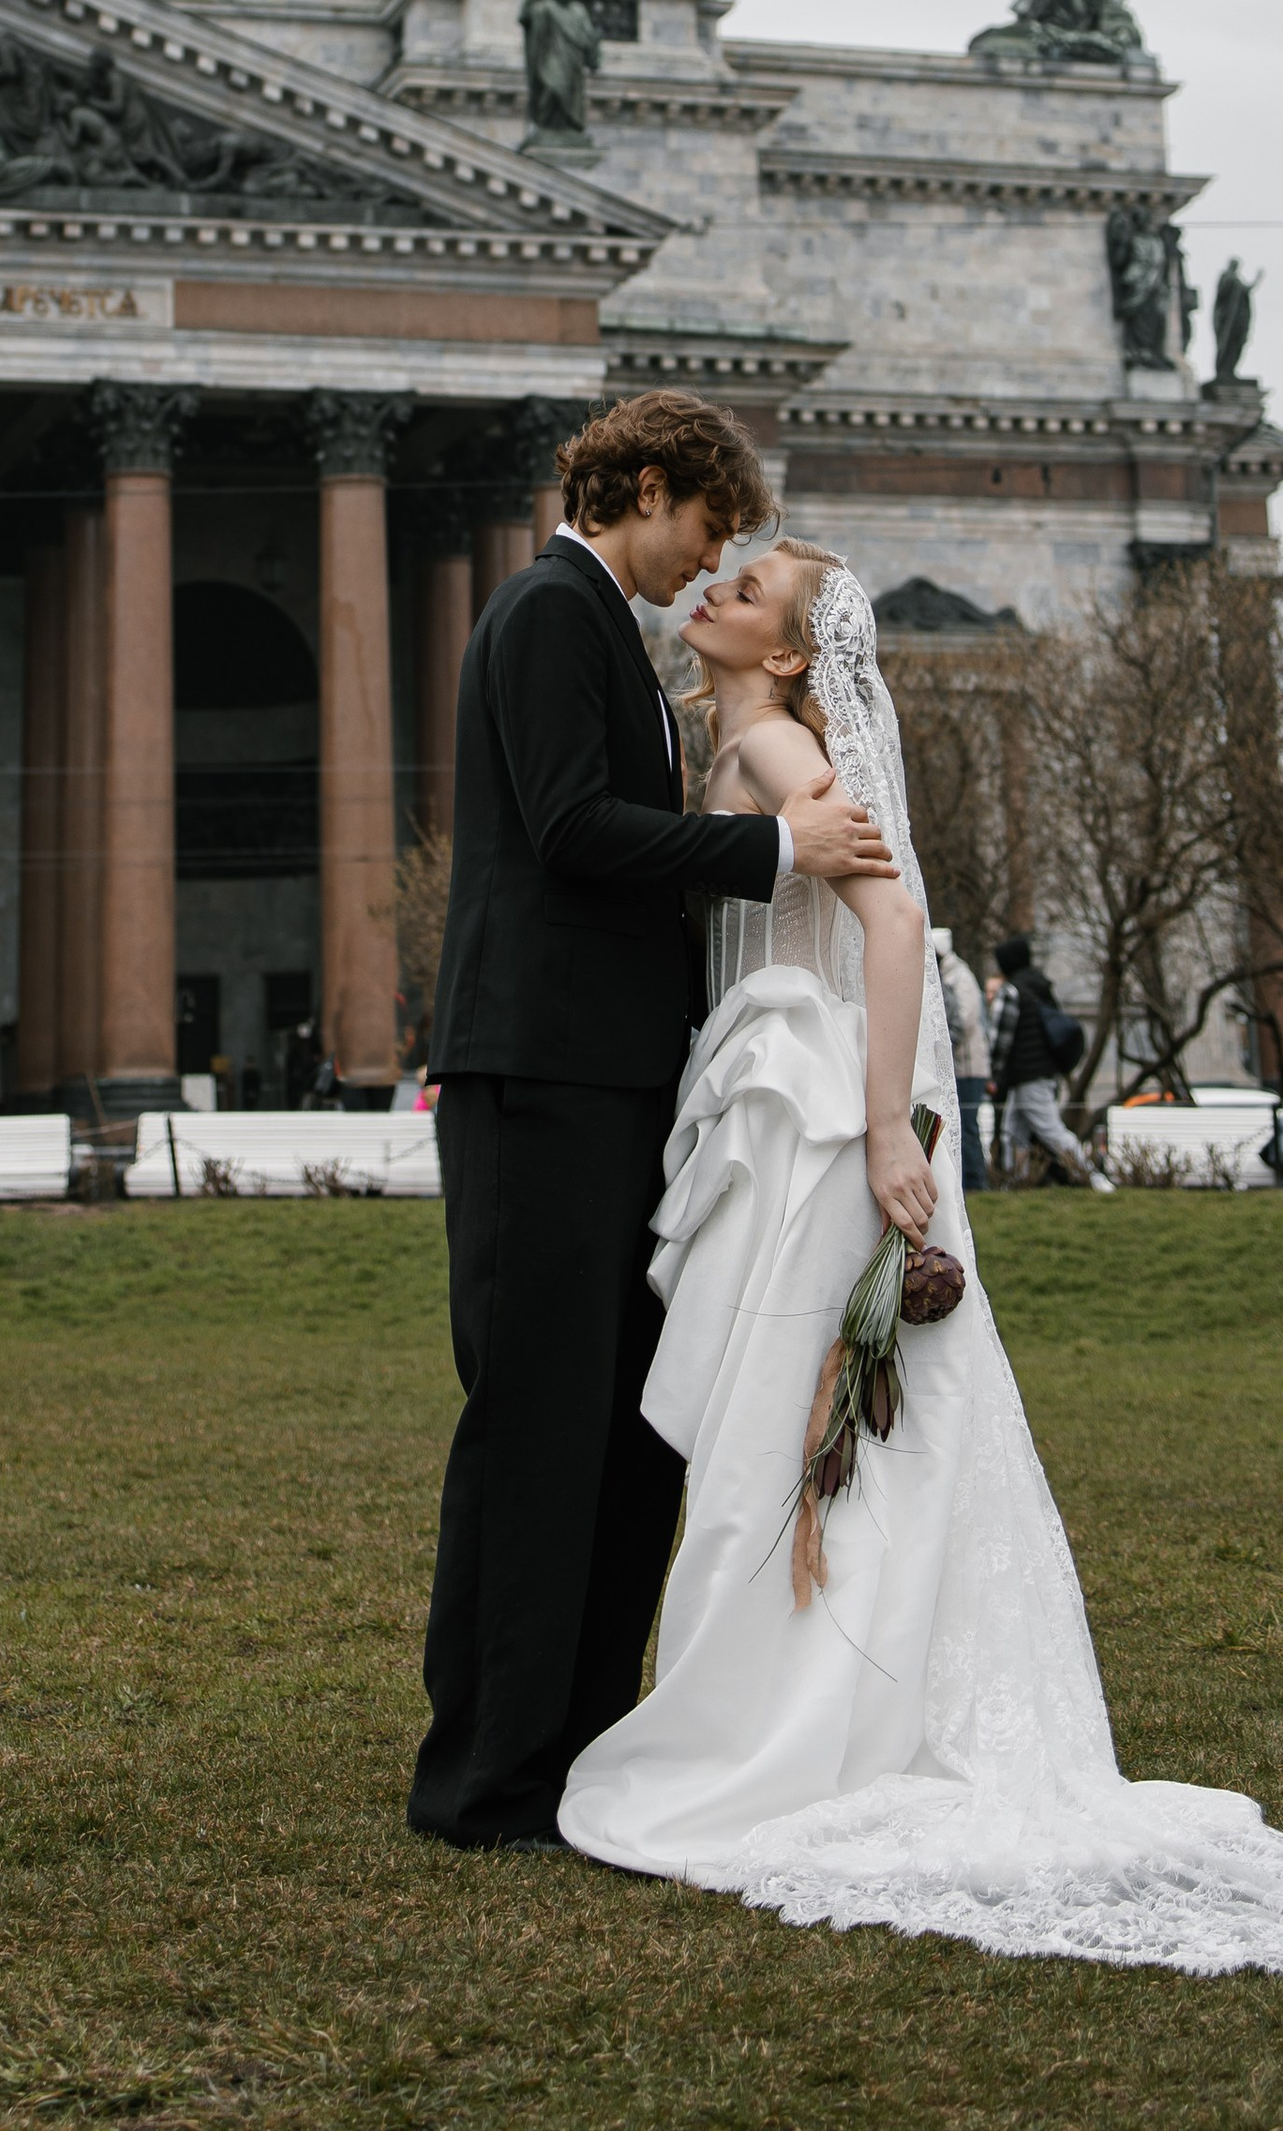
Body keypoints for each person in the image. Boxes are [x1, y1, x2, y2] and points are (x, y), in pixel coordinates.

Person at [556, 546, 1283, 1972]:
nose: (715, 582)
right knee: (835, 1430)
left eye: (751, 584)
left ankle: (779, 1734)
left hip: (821, 1122)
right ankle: (847, 1705)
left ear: (786, 656)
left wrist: (893, 1126)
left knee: (785, 1430)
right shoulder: (746, 733)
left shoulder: (775, 741)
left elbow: (893, 918)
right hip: (796, 1105)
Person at [408, 390, 898, 1855]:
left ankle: (565, 1749)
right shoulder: (552, 612)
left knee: (609, 1433)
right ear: (639, 484)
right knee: (537, 1426)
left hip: (600, 1078)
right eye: (703, 526)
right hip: (541, 1075)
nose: (704, 565)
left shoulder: (592, 625)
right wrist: (770, 846)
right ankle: (487, 1777)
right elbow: (566, 832)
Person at [990, 932, 1112, 1191]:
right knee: (1014, 1131)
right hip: (1041, 1073)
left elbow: (1001, 1038)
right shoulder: (1041, 987)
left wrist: (994, 1075)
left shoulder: (1011, 991)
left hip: (1026, 1075)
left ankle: (1093, 1178)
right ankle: (1015, 1184)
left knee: (1050, 1130)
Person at [929, 924, 990, 1193]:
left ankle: (977, 1183)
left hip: (967, 1067)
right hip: (957, 1064)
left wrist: (941, 1042)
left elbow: (964, 1020)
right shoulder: (947, 974)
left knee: (967, 1126)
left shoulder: (959, 977)